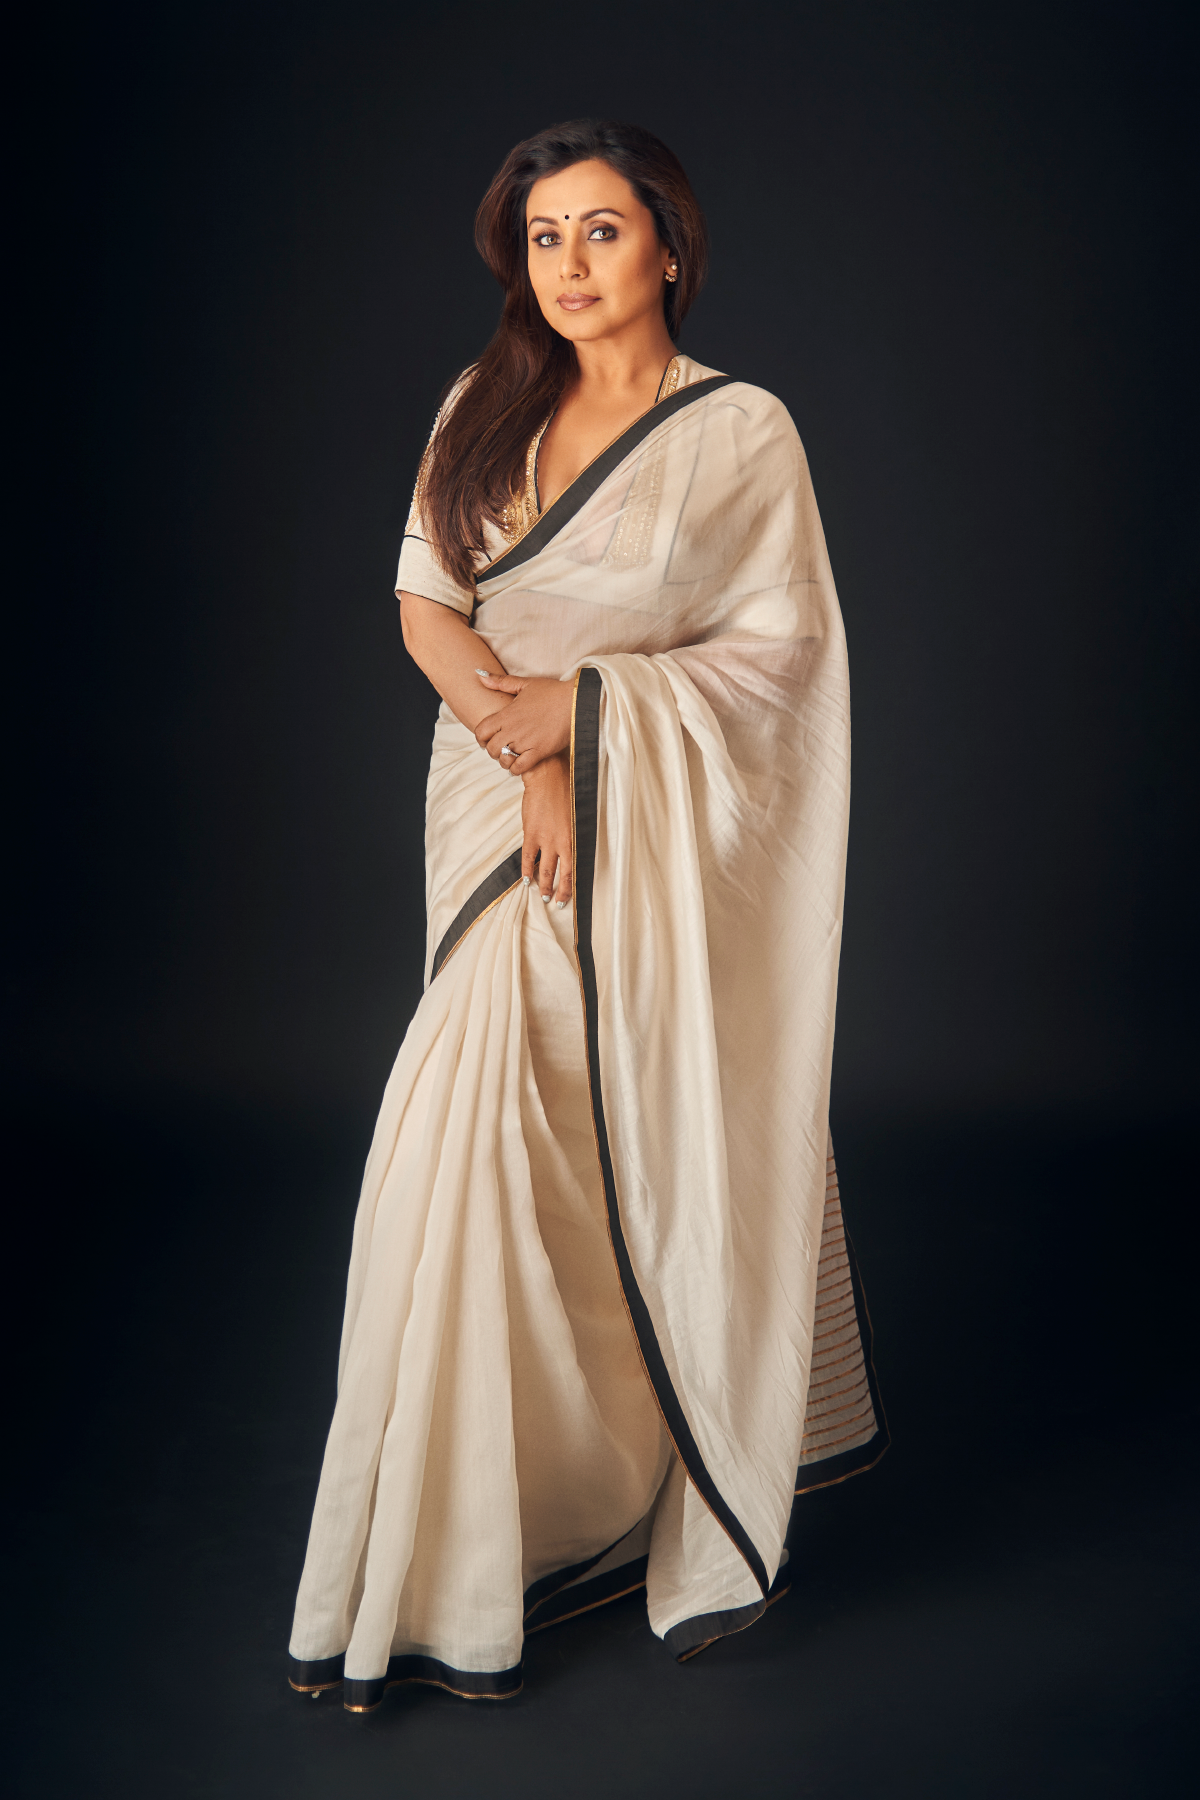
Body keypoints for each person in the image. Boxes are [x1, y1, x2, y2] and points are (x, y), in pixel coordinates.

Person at [288, 118, 886, 1715]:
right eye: (543, 237)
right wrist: (537, 750)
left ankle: (621, 1480)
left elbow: (779, 659)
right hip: (495, 807)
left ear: (669, 246)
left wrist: (597, 727)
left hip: (648, 826)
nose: (569, 264)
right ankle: (461, 1541)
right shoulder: (480, 404)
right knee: (472, 1136)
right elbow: (426, 601)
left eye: (601, 231)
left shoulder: (740, 430)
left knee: (600, 1139)